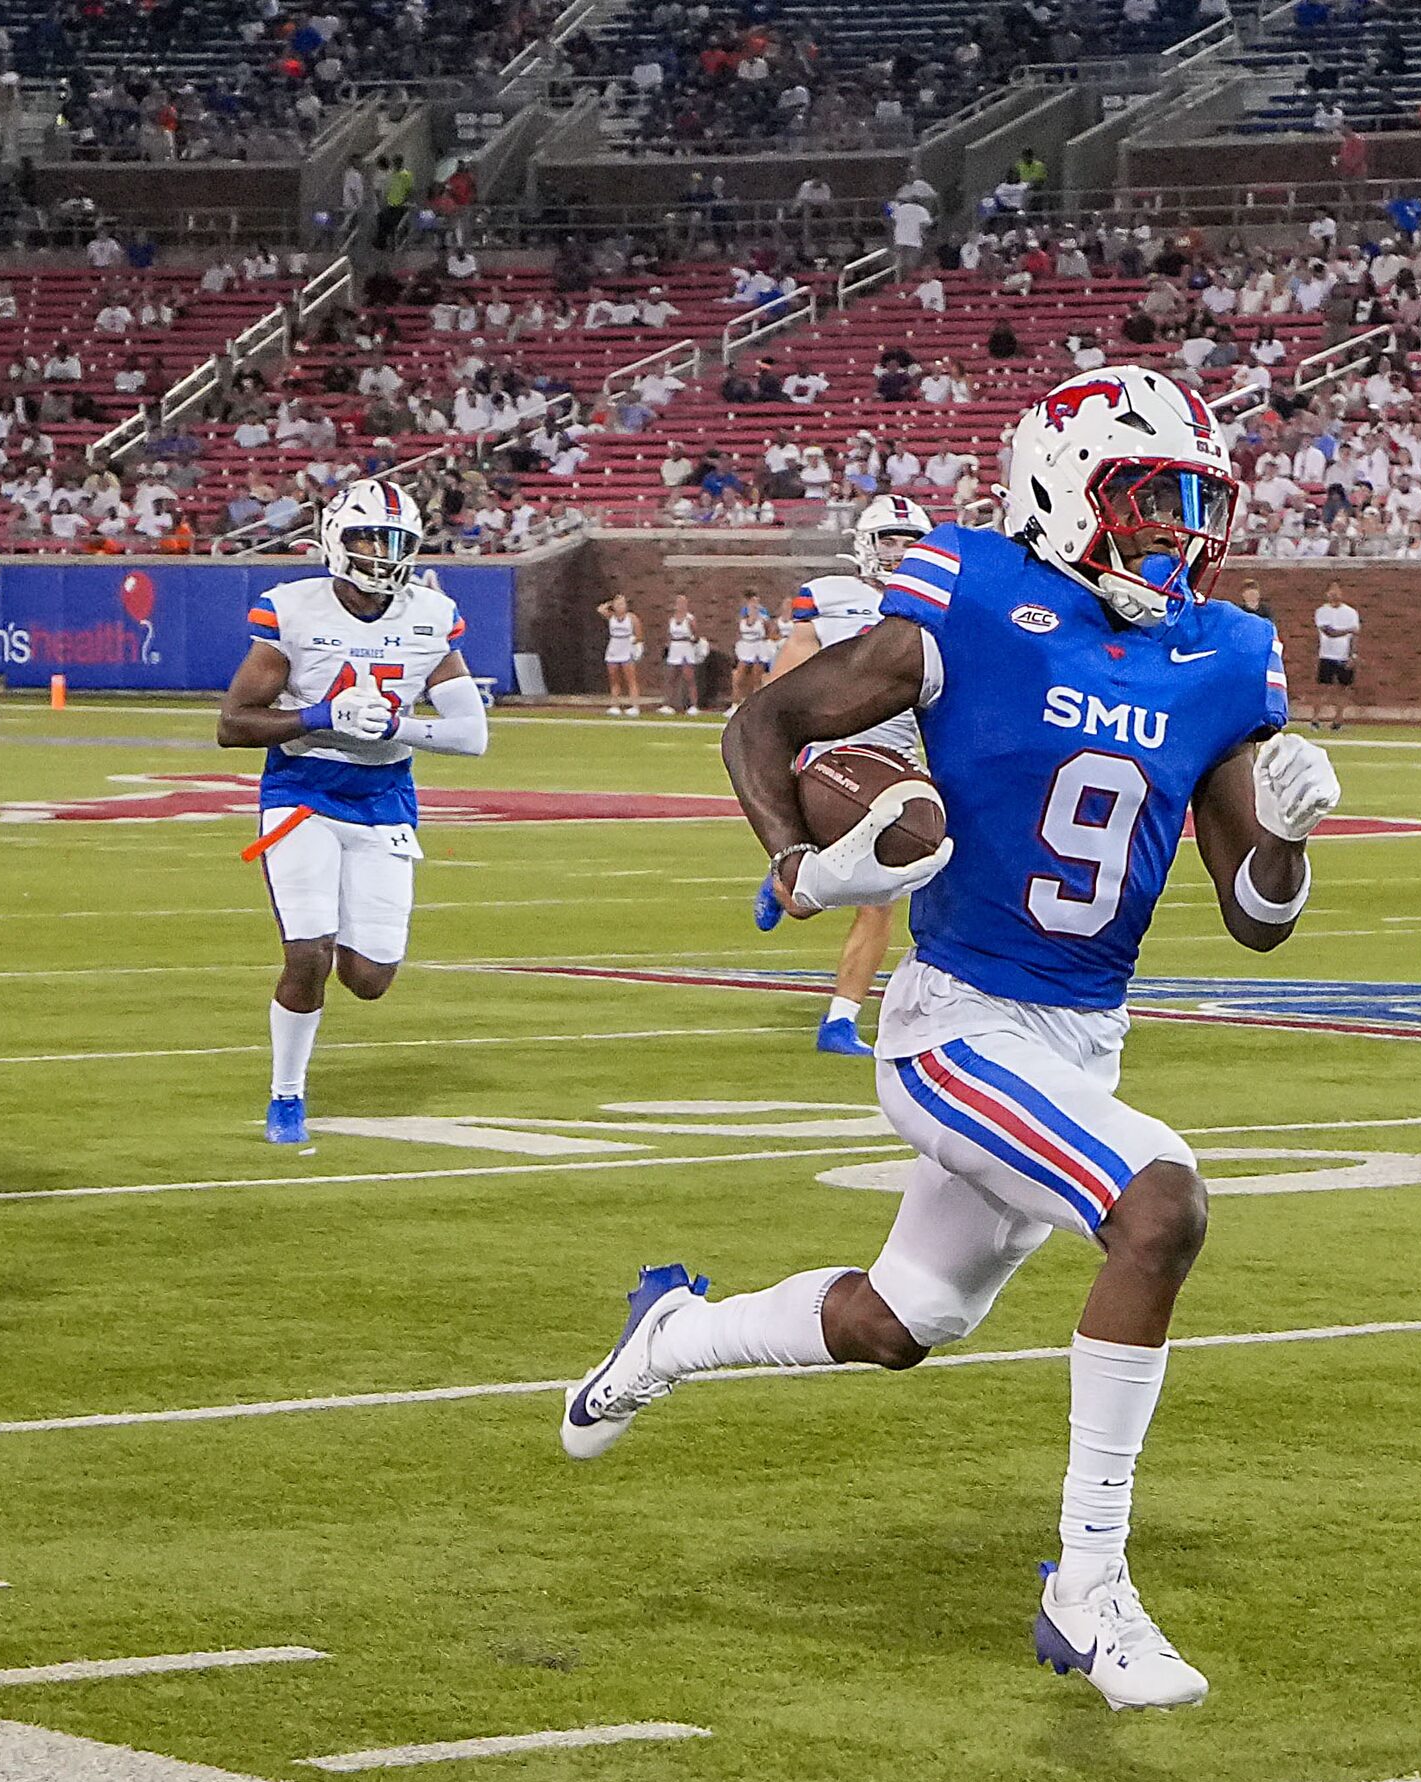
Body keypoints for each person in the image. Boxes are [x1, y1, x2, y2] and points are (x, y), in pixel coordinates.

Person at [564, 367, 1342, 1712]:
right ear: (1060, 491)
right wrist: (804, 862)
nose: (1177, 535)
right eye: (1148, 503)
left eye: (1193, 508)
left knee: (897, 1319)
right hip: (953, 1025)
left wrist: (1285, 835)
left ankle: (669, 1335)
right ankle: (1087, 1588)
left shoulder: (1219, 656)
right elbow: (767, 721)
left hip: (1080, 1041)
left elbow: (1256, 917)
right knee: (1157, 1206)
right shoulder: (971, 592)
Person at [216, 480, 488, 1146]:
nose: (379, 552)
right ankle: (286, 1095)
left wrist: (394, 725)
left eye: (394, 541)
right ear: (336, 538)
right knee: (306, 950)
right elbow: (232, 724)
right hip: (300, 790)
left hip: (383, 797)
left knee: (368, 977)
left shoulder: (429, 613)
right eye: (368, 536)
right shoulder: (291, 609)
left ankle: (339, 927)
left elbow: (470, 734)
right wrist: (320, 715)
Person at [768, 494, 933, 1056]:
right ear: (866, 542)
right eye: (890, 538)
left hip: (894, 758)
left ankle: (840, 1020)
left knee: (883, 887)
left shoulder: (941, 609)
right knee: (830, 896)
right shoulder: (829, 597)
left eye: (912, 540)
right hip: (831, 755)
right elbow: (781, 686)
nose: (902, 551)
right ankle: (789, 877)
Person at [1310, 581, 1360, 730]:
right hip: (1327, 655)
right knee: (1323, 688)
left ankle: (1338, 721)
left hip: (1344, 656)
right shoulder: (1321, 612)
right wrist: (1349, 630)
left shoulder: (1351, 613)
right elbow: (1329, 632)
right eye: (1331, 591)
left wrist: (1353, 655)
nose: (1334, 594)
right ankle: (1315, 719)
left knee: (1343, 689)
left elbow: (1355, 637)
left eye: (1337, 590)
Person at [599, 591, 643, 713]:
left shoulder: (632, 618)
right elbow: (600, 609)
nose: (620, 606)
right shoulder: (611, 617)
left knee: (630, 679)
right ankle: (615, 705)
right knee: (614, 679)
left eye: (622, 604)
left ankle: (635, 706)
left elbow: (639, 635)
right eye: (617, 604)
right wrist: (610, 603)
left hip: (626, 648)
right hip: (614, 648)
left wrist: (633, 641)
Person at [729, 590, 771, 713]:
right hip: (746, 646)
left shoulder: (763, 616)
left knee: (756, 677)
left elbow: (768, 632)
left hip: (758, 647)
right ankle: (735, 704)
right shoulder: (743, 614)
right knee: (739, 675)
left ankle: (756, 706)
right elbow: (740, 629)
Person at [661, 592, 702, 715]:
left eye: (683, 603)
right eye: (679, 603)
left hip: (686, 648)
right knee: (672, 677)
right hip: (675, 648)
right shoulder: (672, 619)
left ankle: (694, 705)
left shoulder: (690, 619)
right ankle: (668, 704)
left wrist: (692, 641)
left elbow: (696, 635)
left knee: (689, 677)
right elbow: (669, 635)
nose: (681, 605)